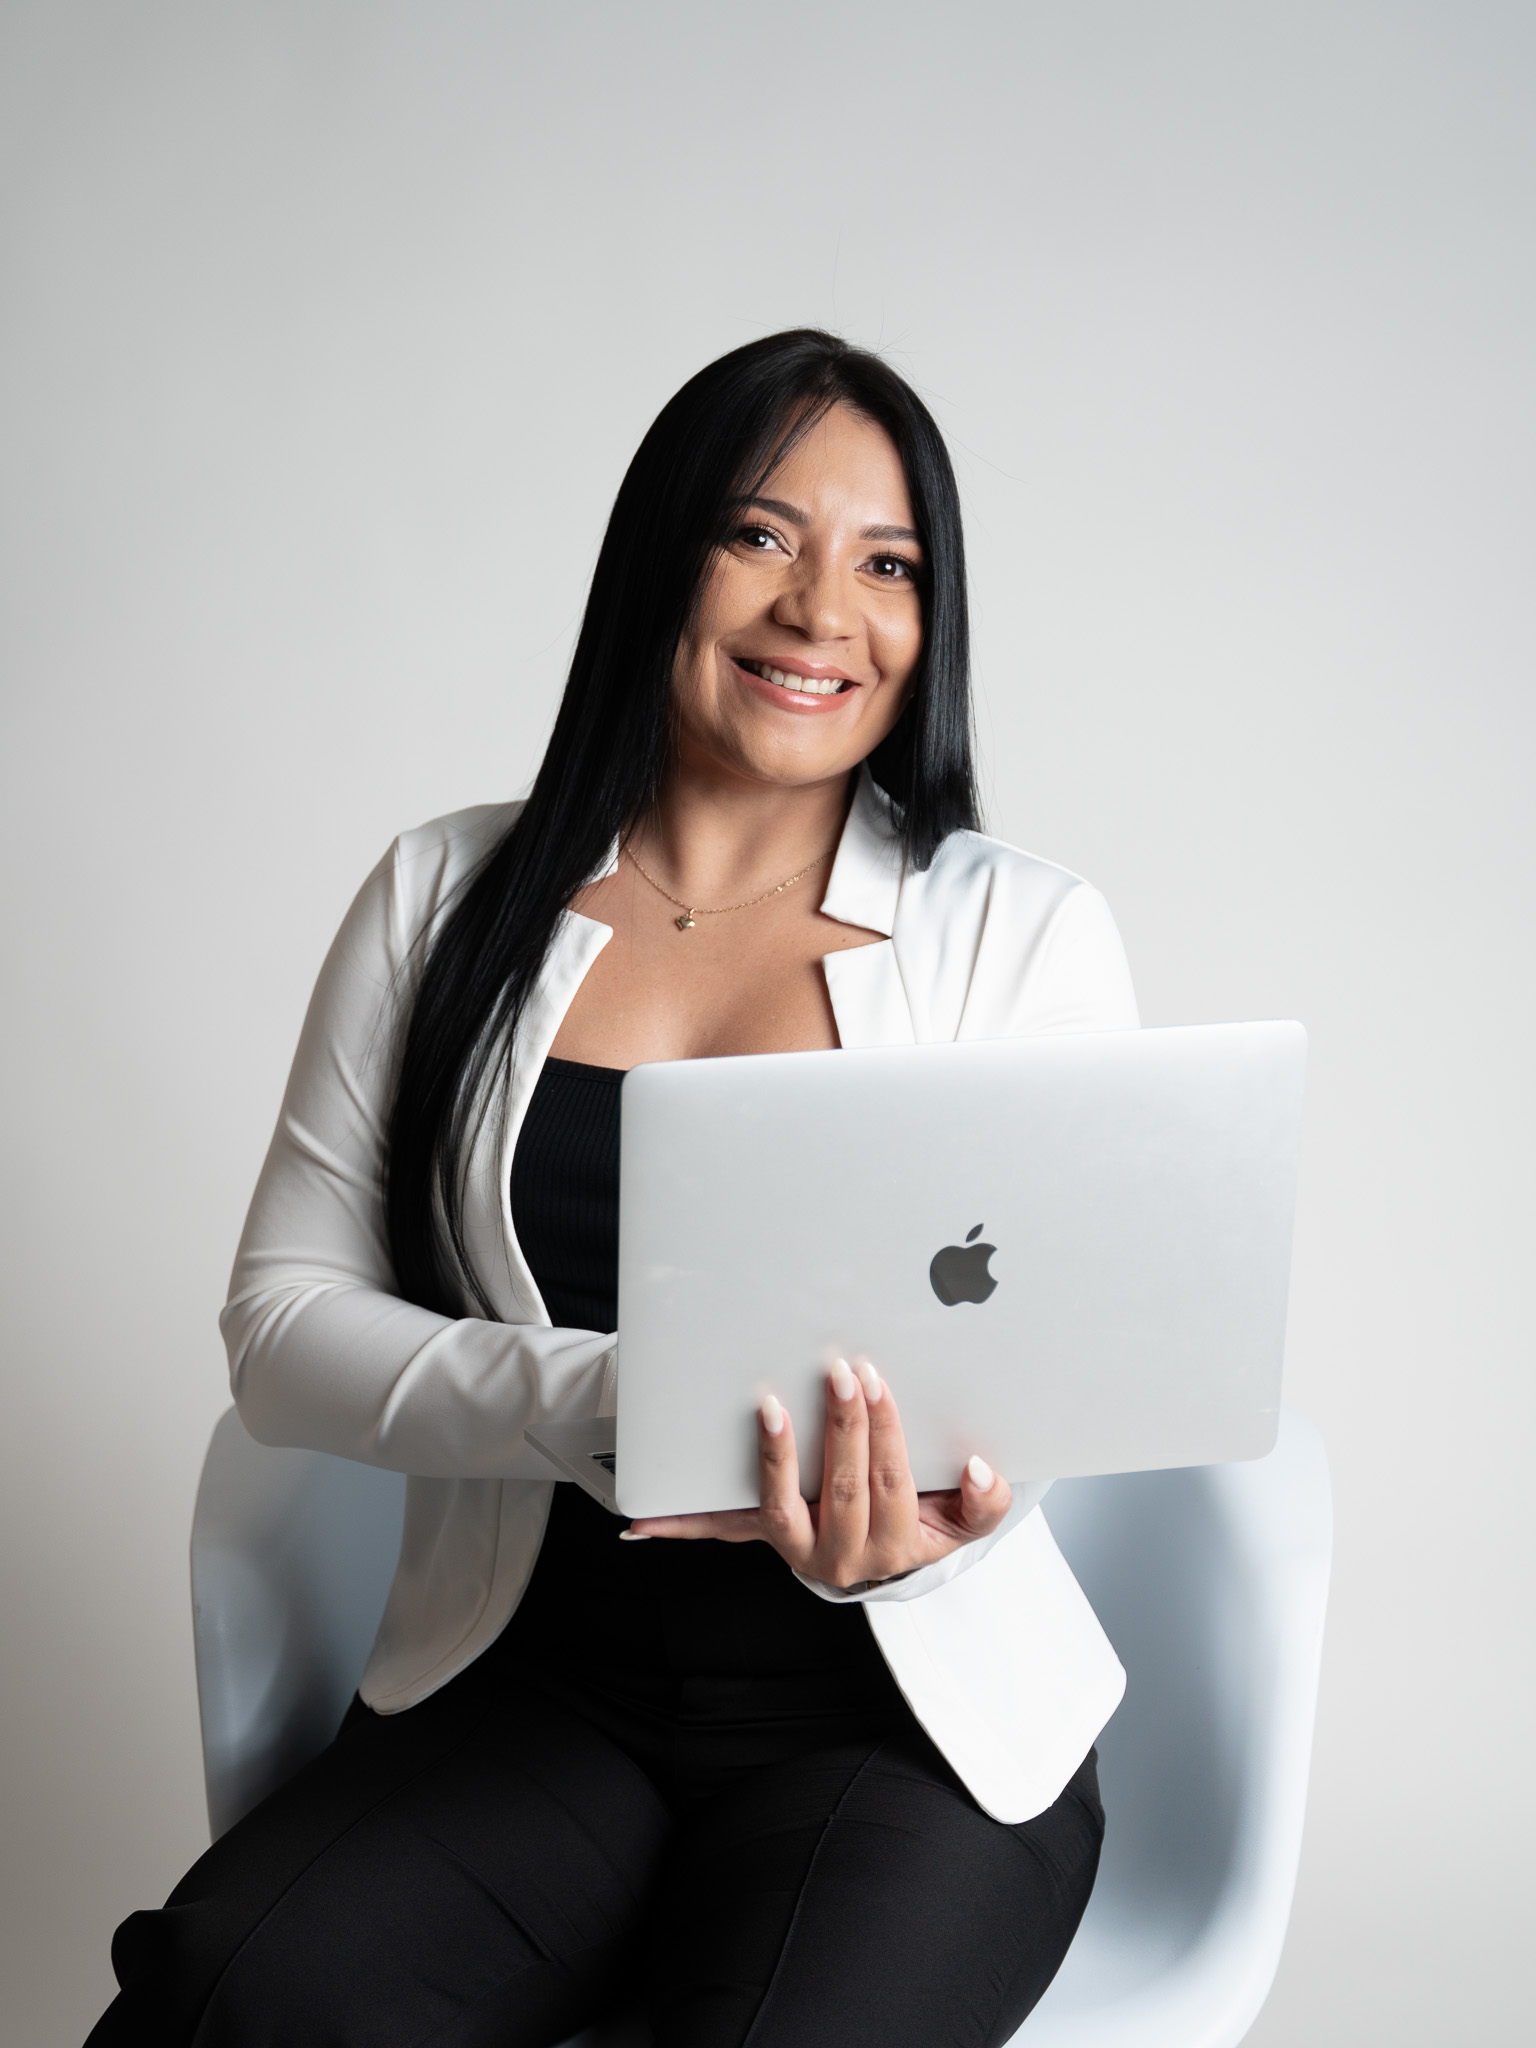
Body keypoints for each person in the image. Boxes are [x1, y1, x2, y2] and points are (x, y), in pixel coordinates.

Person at [88, 330, 1139, 2048]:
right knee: (224, 2003)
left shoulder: (1023, 934)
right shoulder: (444, 895)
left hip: (907, 1717)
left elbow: (1072, 1352)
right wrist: (605, 1400)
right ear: (662, 553)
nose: (822, 610)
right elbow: (282, 1328)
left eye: (889, 566)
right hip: (536, 1690)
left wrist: (931, 1526)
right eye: (760, 534)